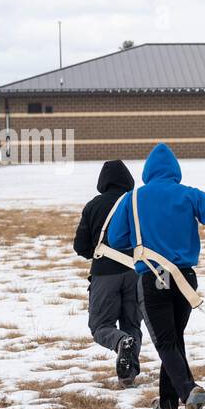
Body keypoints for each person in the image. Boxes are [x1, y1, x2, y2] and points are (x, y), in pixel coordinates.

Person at [107, 143, 205, 409]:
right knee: (174, 340)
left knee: (165, 343)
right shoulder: (190, 194)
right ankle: (167, 403)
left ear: (147, 173)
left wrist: (144, 239)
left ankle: (189, 391)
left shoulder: (133, 198)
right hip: (185, 278)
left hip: (152, 277)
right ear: (175, 171)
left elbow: (116, 238)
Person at [73, 160, 142, 386]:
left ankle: (121, 342)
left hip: (105, 274)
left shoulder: (93, 206)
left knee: (101, 326)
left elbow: (80, 246)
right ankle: (127, 376)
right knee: (132, 324)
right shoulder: (137, 203)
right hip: (135, 272)